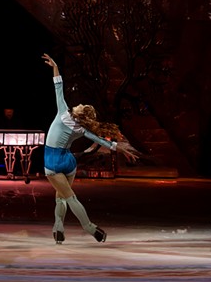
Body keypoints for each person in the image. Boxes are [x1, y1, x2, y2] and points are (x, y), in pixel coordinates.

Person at [41, 52, 140, 244]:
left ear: (79, 113)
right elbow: (102, 141)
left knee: (68, 198)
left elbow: (58, 86)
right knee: (61, 196)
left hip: (52, 162)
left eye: (80, 105)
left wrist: (55, 66)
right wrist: (120, 148)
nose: (77, 104)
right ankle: (58, 227)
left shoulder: (63, 111)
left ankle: (90, 227)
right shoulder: (82, 129)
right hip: (68, 161)